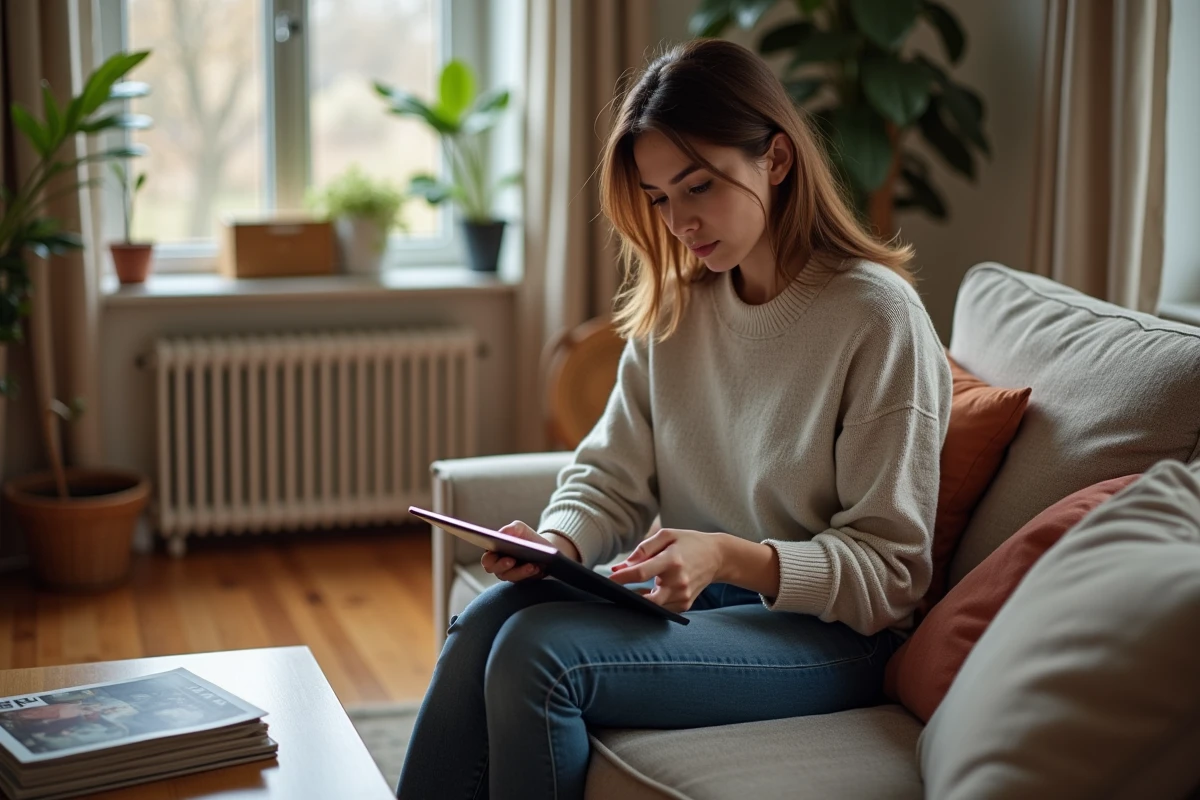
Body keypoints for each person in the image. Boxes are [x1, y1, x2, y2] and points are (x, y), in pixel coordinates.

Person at [396, 38, 952, 800]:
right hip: (699, 609)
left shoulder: (876, 318)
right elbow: (610, 476)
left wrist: (726, 556)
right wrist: (556, 543)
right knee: (495, 615)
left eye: (699, 187)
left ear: (777, 160)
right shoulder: (681, 306)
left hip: (833, 638)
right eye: (660, 198)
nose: (679, 221)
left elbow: (891, 576)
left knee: (539, 654)